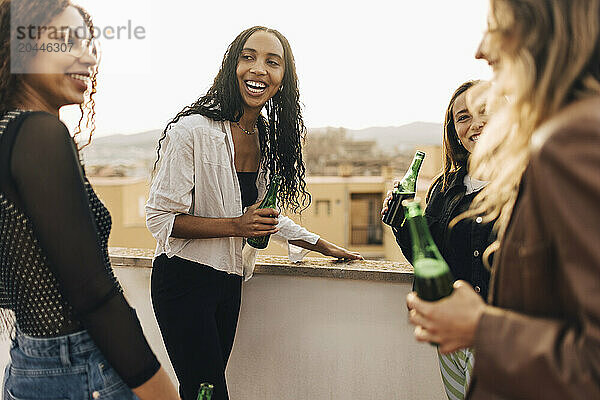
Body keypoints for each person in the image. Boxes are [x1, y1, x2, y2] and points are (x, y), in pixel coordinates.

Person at [146, 26, 363, 400]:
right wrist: (235, 225)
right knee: (209, 391)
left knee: (201, 390)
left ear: (283, 79)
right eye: (248, 57)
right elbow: (161, 219)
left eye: (272, 62)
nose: (258, 68)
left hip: (229, 282)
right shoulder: (192, 131)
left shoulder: (266, 135)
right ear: (232, 66)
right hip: (183, 281)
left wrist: (320, 245)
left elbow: (263, 215)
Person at [406, 0, 600, 398]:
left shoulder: (573, 141)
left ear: (541, 31)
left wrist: (481, 327)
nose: (481, 49)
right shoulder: (445, 188)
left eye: (496, 26)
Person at [0, 1, 179, 399]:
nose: (89, 55)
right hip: (79, 369)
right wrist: (164, 394)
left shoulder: (7, 133)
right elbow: (93, 293)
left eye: (89, 43)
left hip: (29, 365)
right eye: (65, 40)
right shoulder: (39, 134)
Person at [382, 80, 495, 400]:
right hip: (452, 336)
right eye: (463, 117)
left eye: (485, 111)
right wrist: (405, 220)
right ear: (453, 130)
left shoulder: (526, 180)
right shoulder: (444, 187)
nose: (475, 123)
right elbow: (427, 256)